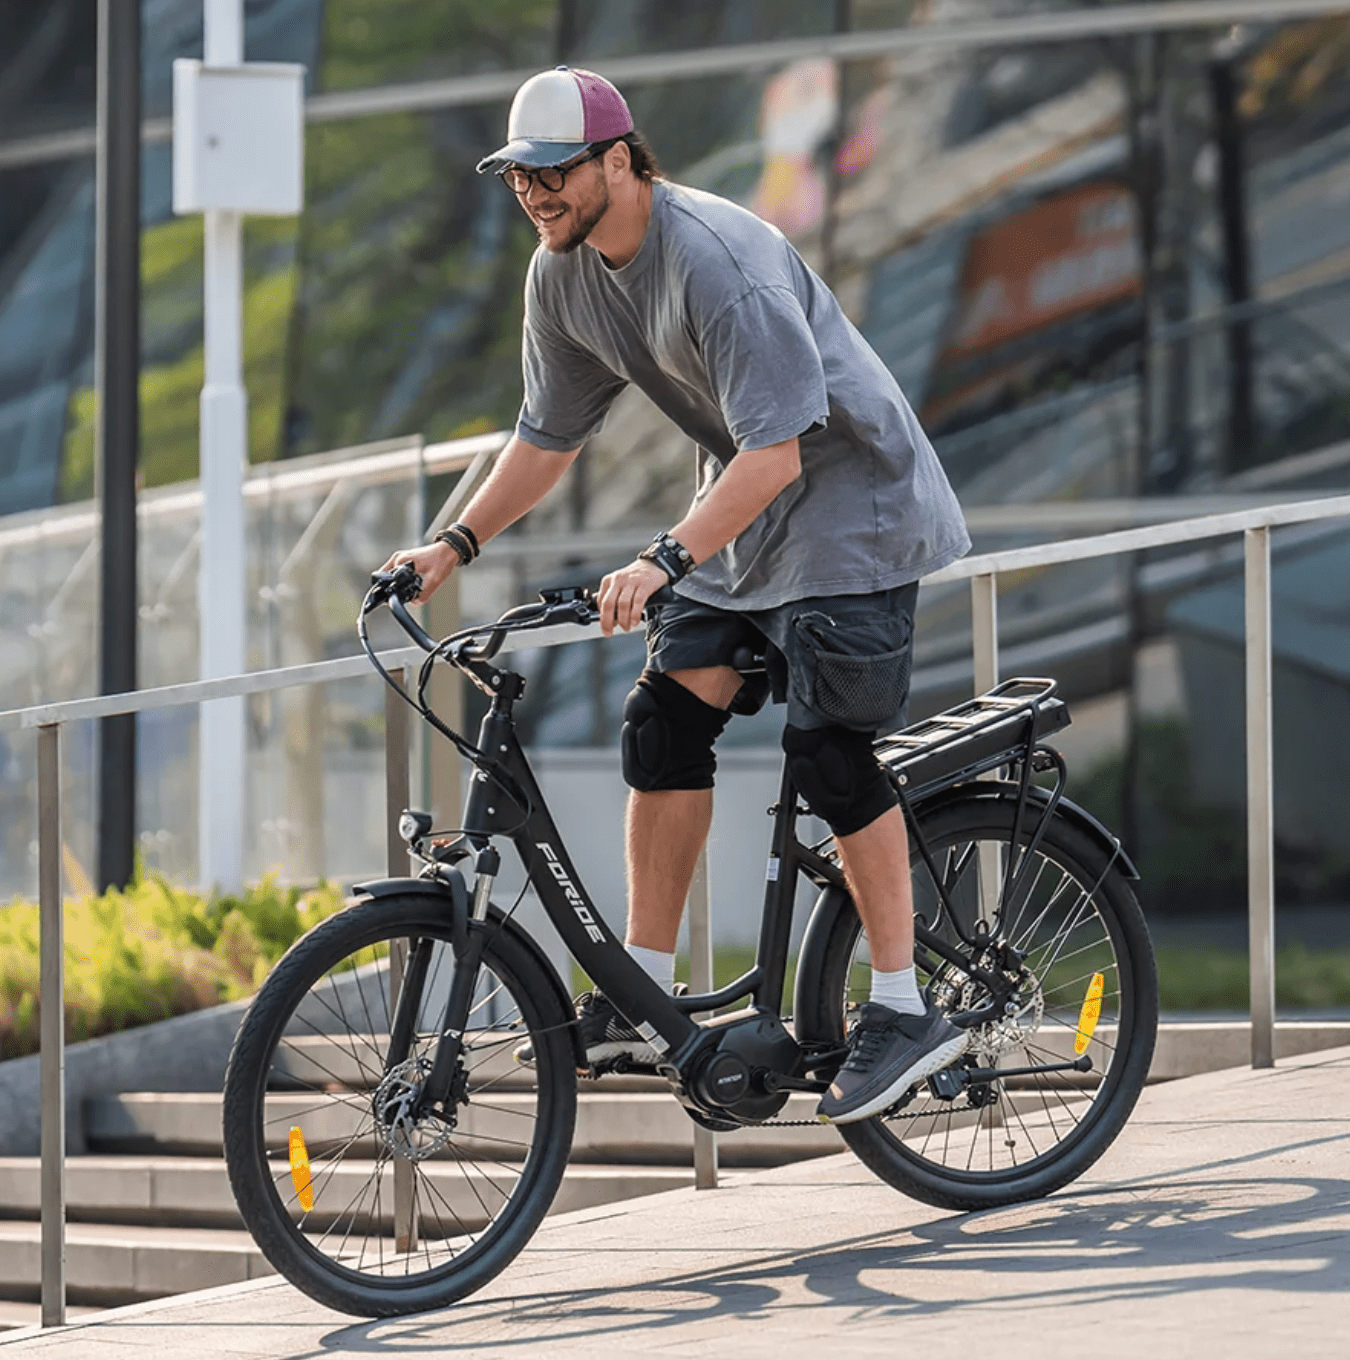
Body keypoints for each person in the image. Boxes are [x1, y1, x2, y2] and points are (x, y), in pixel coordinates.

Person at [381, 66, 972, 1125]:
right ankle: (641, 984)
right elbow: (545, 434)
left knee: (831, 752)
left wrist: (661, 558)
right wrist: (450, 544)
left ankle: (902, 1005)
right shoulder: (562, 273)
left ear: (620, 158)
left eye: (556, 171)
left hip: (854, 510)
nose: (537, 193)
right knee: (661, 726)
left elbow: (780, 452)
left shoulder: (718, 261)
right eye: (522, 176)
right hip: (743, 530)